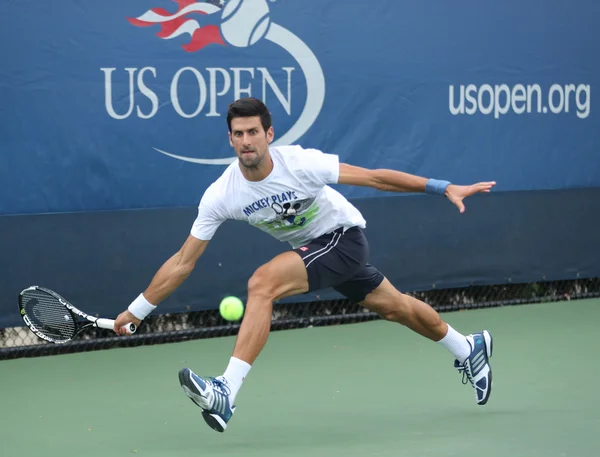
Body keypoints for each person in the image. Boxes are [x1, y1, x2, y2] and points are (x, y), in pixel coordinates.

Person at [114, 97, 496, 433]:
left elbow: (375, 178)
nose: (246, 141)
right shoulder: (222, 194)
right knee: (396, 307)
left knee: (262, 283)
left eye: (253, 132)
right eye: (238, 134)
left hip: (343, 239)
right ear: (230, 140)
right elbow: (183, 262)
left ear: (269, 134)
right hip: (315, 251)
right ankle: (467, 347)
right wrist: (137, 310)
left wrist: (442, 186)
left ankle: (226, 391)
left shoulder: (299, 163)